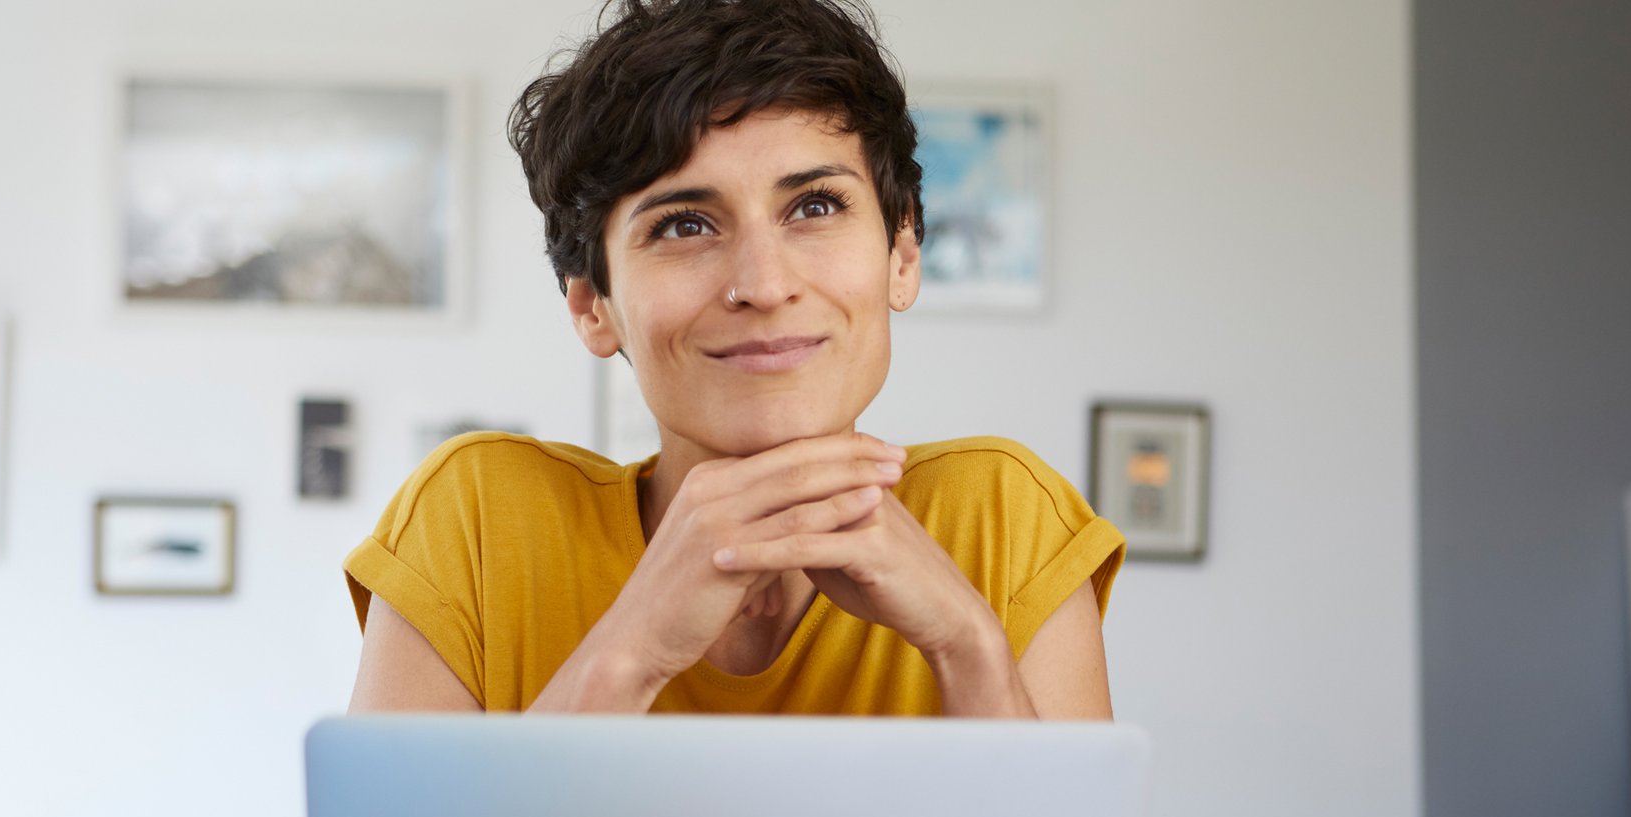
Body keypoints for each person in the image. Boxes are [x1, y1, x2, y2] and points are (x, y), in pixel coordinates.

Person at [344, 0, 1125, 718]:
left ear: (903, 253)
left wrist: (968, 647)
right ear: (592, 304)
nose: (764, 284)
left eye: (815, 206)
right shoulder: (478, 522)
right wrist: (630, 653)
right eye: (684, 225)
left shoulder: (1002, 518)